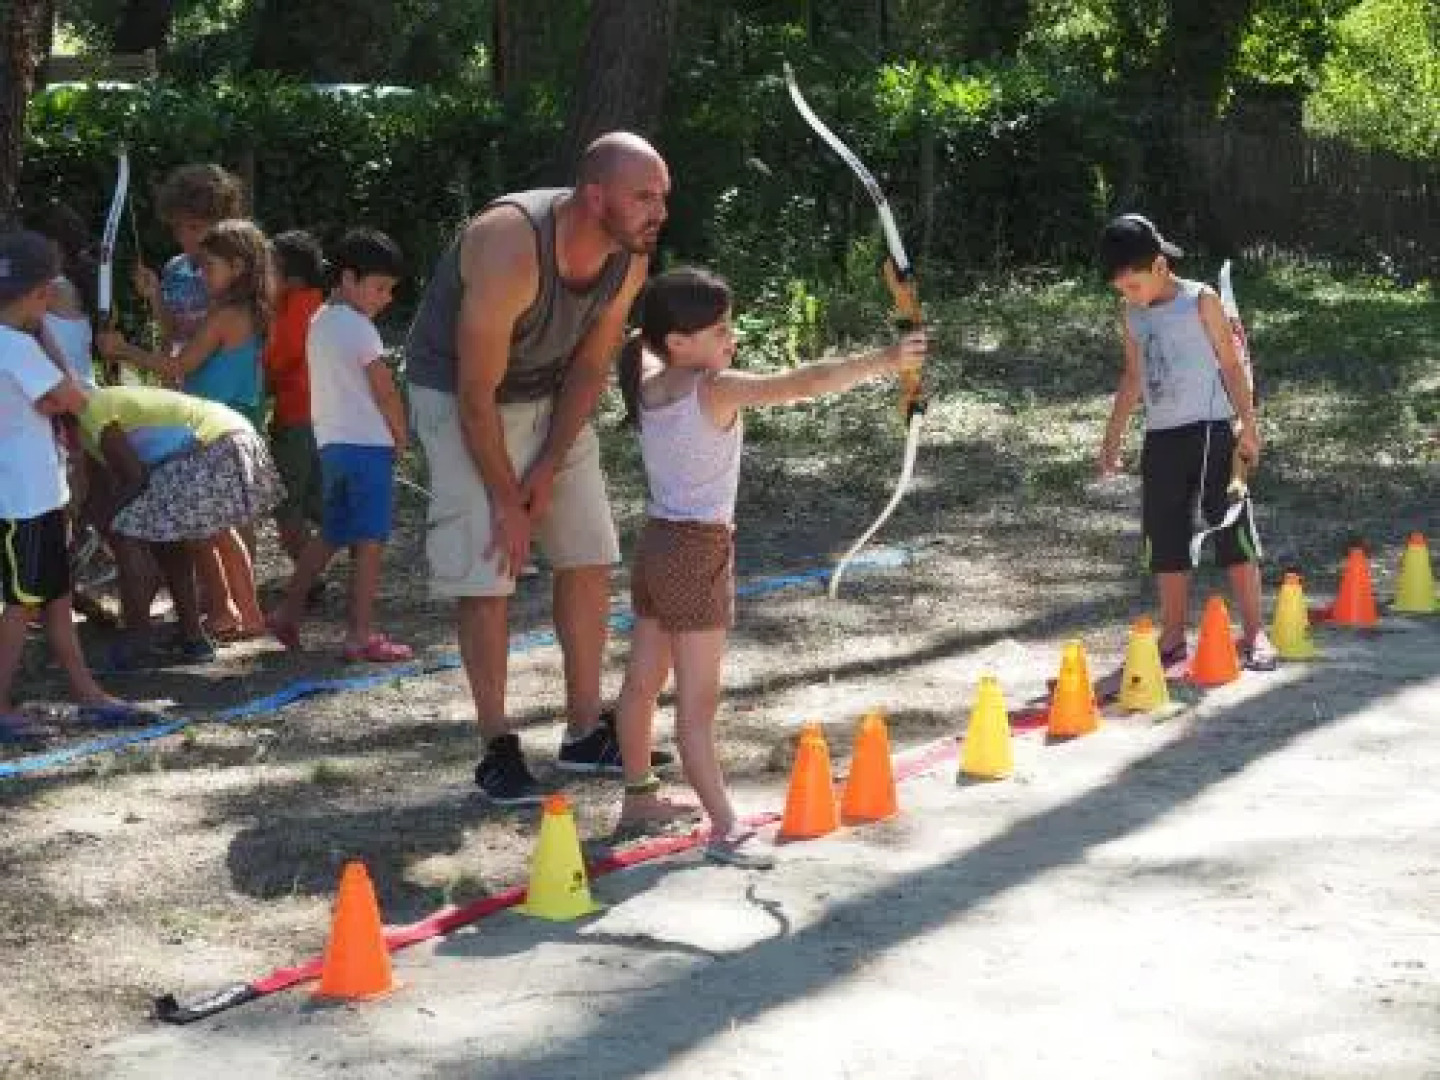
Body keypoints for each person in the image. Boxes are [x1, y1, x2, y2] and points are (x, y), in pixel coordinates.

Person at [610, 268, 927, 867]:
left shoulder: (648, 375)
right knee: (697, 706)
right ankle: (725, 828)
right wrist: (888, 359)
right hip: (696, 552)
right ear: (677, 340)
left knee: (643, 683)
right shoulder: (712, 388)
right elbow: (803, 383)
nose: (731, 339)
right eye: (719, 330)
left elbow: (639, 338)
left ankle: (638, 796)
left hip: (656, 545)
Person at [405, 131, 673, 804]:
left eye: (663, 196)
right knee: (489, 570)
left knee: (588, 554)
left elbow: (590, 366)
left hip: (550, 393)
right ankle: (497, 745)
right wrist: (507, 499)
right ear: (594, 195)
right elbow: (473, 398)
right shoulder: (510, 243)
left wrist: (548, 466)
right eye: (643, 195)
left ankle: (585, 732)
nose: (658, 210)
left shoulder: (629, 258)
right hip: (463, 396)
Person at [1096, 214, 1276, 670]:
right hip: (1162, 439)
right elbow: (1133, 375)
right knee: (1166, 536)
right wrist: (1112, 438)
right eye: (1121, 290)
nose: (1128, 296)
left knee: (1233, 531)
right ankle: (1173, 636)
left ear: (1159, 266)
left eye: (1133, 285)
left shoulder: (1201, 300)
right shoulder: (1132, 313)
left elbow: (1234, 367)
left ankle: (1256, 634)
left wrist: (1248, 427)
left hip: (1214, 431)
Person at [98, 219, 273, 642]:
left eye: (209, 268)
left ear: (236, 267)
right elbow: (178, 338)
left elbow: (180, 363)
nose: (201, 276)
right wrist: (156, 296)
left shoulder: (229, 314)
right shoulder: (236, 308)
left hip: (212, 432)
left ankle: (236, 612)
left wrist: (123, 351)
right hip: (215, 426)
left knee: (206, 529)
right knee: (210, 529)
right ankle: (233, 611)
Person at [0, 231, 128, 742]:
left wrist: (57, 395)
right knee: (23, 601)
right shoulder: (16, 346)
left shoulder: (14, 342)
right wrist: (58, 377)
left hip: (35, 493)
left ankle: (87, 692)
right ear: (39, 295)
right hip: (24, 498)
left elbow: (59, 400)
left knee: (53, 596)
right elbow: (73, 396)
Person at [266, 230, 412, 662]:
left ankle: (287, 614)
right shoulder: (361, 329)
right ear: (348, 278)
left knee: (332, 532)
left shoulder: (320, 320)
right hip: (367, 447)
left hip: (331, 445)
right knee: (369, 539)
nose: (385, 298)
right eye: (379, 287)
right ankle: (360, 634)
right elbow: (384, 391)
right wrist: (400, 434)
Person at [77, 386, 282, 670]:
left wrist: (105, 524)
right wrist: (82, 531)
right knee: (164, 532)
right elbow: (98, 494)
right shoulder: (86, 430)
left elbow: (134, 478)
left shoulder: (90, 411)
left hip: (213, 445)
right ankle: (194, 637)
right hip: (223, 439)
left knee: (127, 527)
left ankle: (137, 639)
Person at [133, 163, 247, 365]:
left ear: (224, 222)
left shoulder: (237, 271)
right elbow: (172, 332)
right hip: (183, 383)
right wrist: (155, 295)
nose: (183, 236)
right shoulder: (175, 268)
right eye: (177, 227)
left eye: (195, 227)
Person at [263, 230, 327, 568]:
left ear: (293, 278)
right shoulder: (318, 303)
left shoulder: (296, 311)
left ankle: (308, 577)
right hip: (320, 417)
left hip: (297, 417)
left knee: (287, 504)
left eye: (270, 269)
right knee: (318, 502)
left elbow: (276, 361)